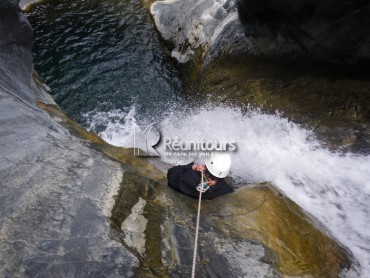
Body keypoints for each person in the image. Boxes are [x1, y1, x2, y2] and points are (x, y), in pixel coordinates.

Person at [167, 152, 234, 199]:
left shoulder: (189, 177)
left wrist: (193, 166)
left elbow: (171, 173)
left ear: (206, 167)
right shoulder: (226, 189)